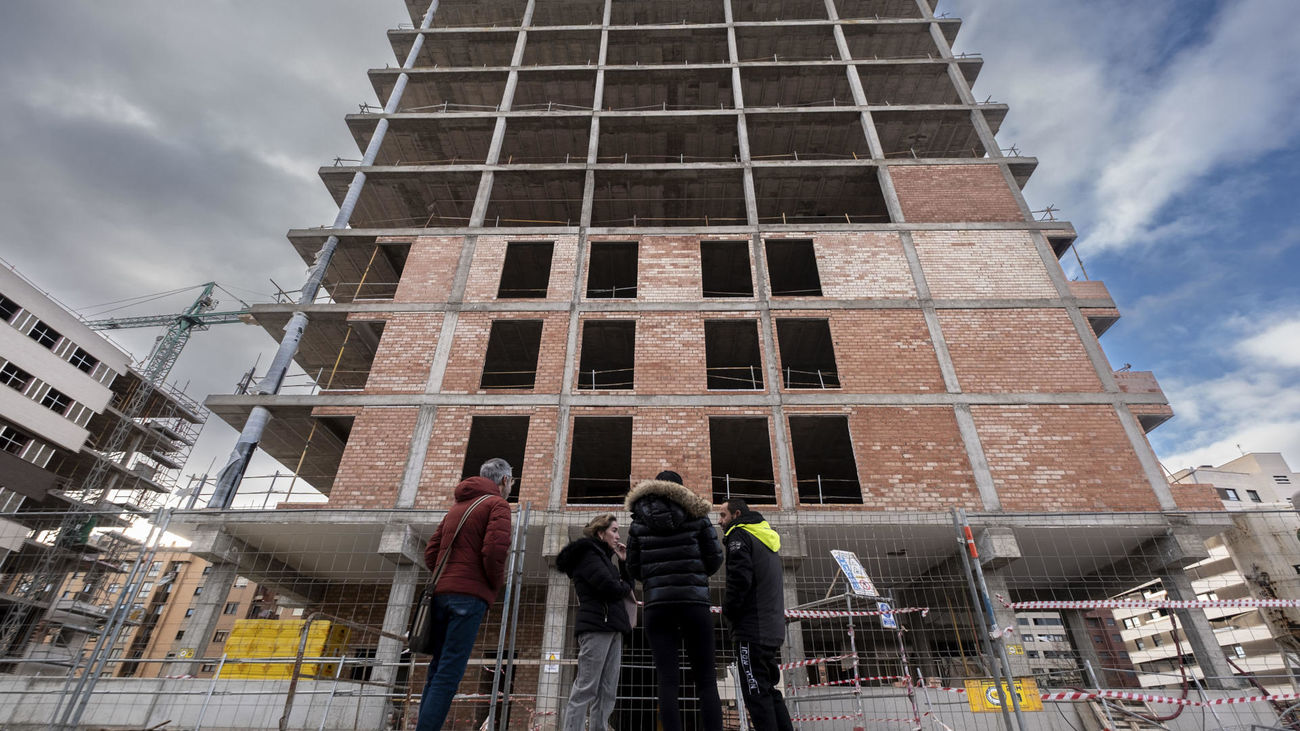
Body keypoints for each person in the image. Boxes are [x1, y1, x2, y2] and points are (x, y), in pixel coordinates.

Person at [416, 458, 514, 731]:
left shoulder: (457, 508)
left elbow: (431, 552)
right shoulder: (498, 505)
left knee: (437, 669)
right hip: (469, 597)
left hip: (441, 594)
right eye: (511, 482)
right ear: (504, 481)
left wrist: (448, 575)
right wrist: (492, 585)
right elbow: (495, 551)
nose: (510, 487)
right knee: (449, 672)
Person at [624, 470, 724, 731]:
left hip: (658, 606)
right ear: (681, 490)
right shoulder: (698, 517)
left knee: (667, 679)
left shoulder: (638, 522)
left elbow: (633, 568)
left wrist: (655, 581)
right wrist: (695, 576)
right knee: (706, 679)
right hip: (694, 603)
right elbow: (714, 558)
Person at [720, 498, 793, 731]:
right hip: (770, 628)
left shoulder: (739, 536)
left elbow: (739, 579)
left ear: (737, 514)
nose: (720, 521)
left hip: (751, 630)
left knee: (756, 693)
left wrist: (729, 611)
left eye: (723, 515)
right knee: (768, 690)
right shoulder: (764, 537)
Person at [556, 513, 634, 731]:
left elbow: (624, 585)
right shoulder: (588, 555)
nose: (618, 535)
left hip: (613, 627)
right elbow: (611, 588)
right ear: (601, 533)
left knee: (608, 689)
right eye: (614, 530)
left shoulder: (604, 559)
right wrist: (623, 586)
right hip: (597, 627)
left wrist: (623, 564)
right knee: (586, 687)